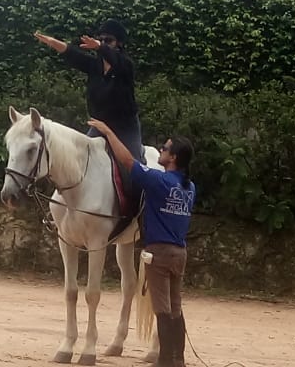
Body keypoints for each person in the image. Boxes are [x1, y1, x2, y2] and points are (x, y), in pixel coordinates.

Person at [88, 118, 195, 367]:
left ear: (174, 158)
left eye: (166, 149)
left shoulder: (160, 182)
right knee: (175, 306)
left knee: (162, 309)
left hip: (159, 253)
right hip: (180, 252)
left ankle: (165, 360)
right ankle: (178, 359)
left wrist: (107, 131)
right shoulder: (189, 188)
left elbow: (127, 162)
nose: (161, 151)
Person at [33, 19, 146, 164]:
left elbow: (114, 59)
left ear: (119, 43)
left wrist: (99, 46)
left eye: (108, 40)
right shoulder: (94, 66)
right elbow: (72, 53)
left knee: (135, 168)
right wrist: (52, 42)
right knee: (81, 161)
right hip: (99, 125)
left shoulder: (126, 65)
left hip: (125, 127)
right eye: (101, 39)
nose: (104, 43)